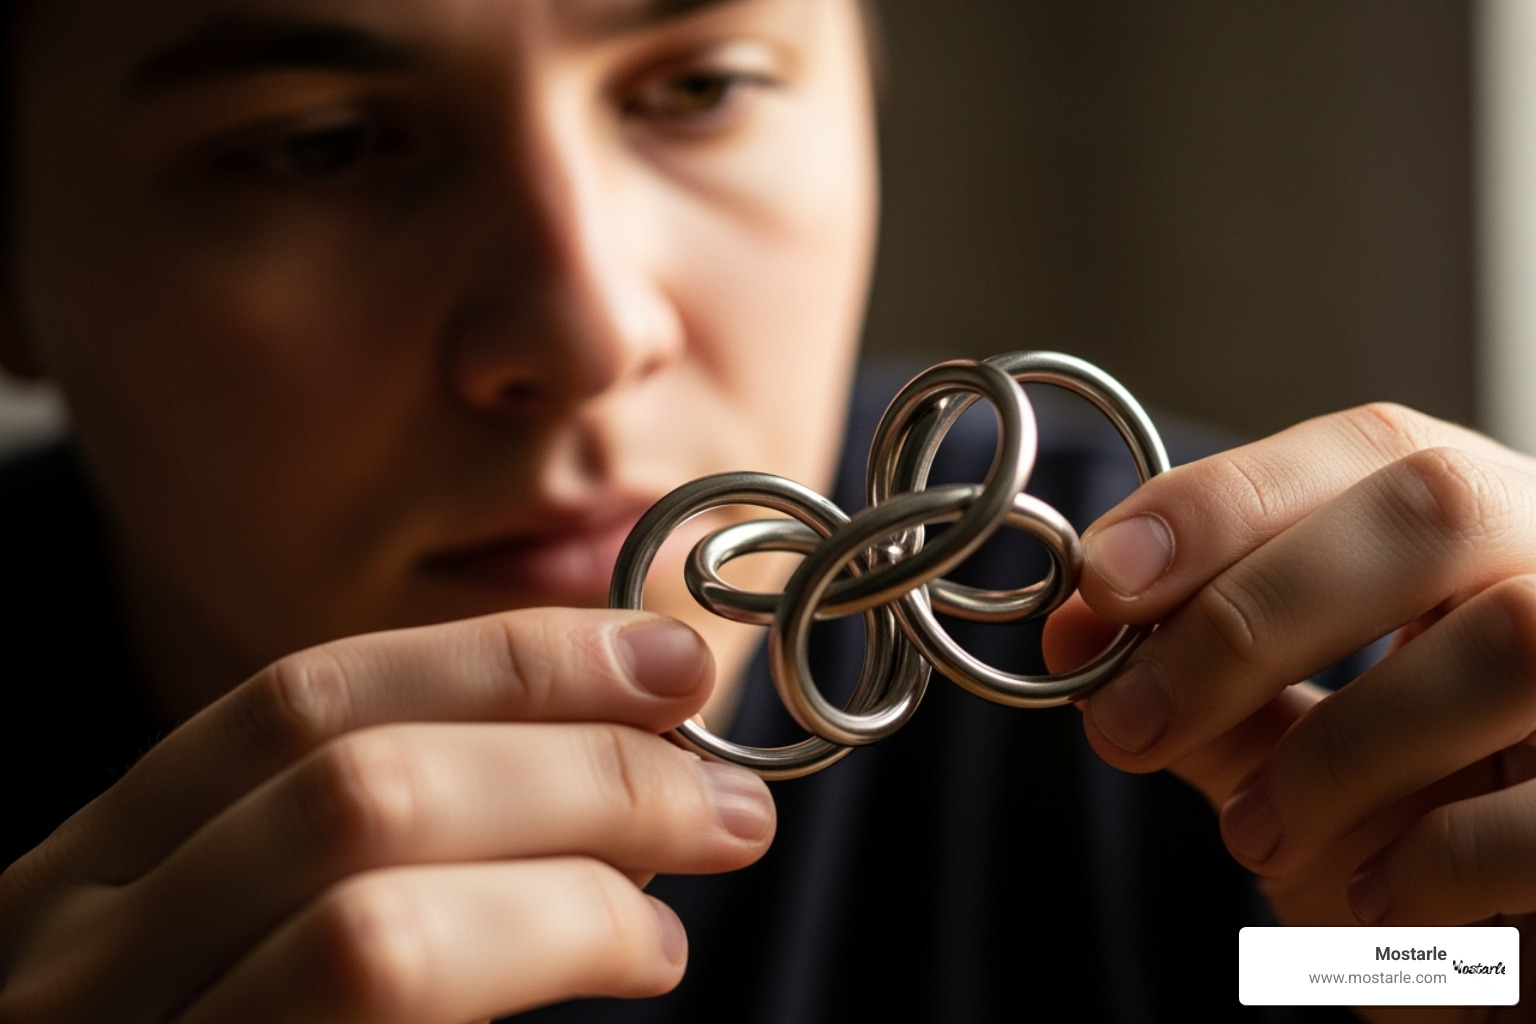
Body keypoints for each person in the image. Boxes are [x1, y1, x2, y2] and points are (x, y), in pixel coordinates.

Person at [0, 0, 1530, 1021]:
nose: (590, 328)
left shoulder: (1277, 710)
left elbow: (1308, 981)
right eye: (319, 145)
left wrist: (1449, 965)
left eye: (700, 87)